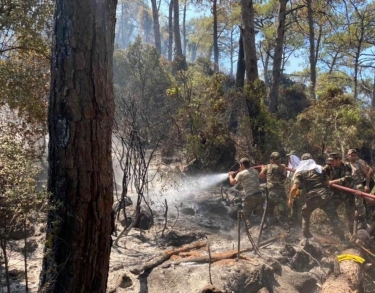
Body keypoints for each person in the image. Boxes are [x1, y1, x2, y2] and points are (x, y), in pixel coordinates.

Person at [288, 153, 345, 240]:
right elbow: (327, 182)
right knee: (333, 216)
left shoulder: (300, 172)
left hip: (313, 196)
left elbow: (294, 188)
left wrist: (290, 199)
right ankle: (343, 239)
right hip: (326, 196)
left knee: (305, 212)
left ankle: (307, 235)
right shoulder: (320, 169)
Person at [325, 152, 355, 234]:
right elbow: (321, 171)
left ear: (338, 160)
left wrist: (332, 182)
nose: (331, 163)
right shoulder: (329, 166)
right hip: (337, 192)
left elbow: (347, 178)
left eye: (333, 161)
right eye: (330, 161)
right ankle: (337, 228)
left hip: (348, 192)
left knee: (350, 214)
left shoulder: (346, 166)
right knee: (330, 209)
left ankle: (352, 233)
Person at [259, 152, 289, 224]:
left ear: (272, 159)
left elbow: (261, 176)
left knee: (268, 212)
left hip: (271, 194)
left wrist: (262, 169)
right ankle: (286, 227)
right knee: (284, 213)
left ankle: (270, 226)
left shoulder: (268, 166)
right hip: (282, 193)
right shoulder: (283, 167)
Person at [347, 149, 373, 229]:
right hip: (350, 185)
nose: (353, 157)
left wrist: (367, 185)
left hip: (360, 184)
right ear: (348, 156)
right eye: (352, 155)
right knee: (351, 204)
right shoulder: (346, 165)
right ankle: (353, 221)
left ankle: (363, 221)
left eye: (355, 155)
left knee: (359, 203)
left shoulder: (359, 163)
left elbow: (368, 175)